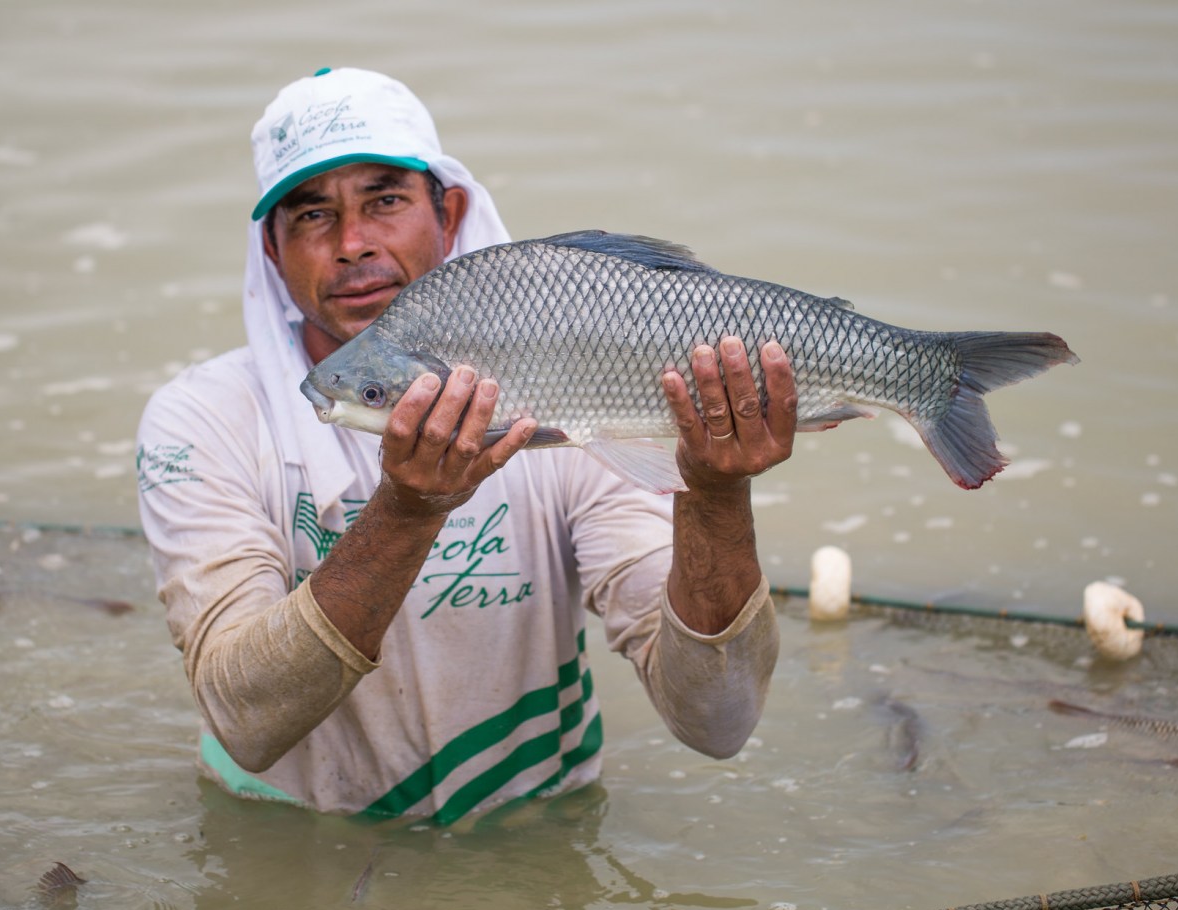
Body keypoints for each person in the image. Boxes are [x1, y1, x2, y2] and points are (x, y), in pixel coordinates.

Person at [136, 67, 795, 825]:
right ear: (273, 249)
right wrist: (409, 511)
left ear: (448, 214)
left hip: (532, 827)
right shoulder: (201, 418)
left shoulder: (580, 393)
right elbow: (243, 723)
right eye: (312, 215)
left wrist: (714, 497)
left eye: (385, 200)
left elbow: (718, 723)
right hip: (294, 832)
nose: (352, 244)